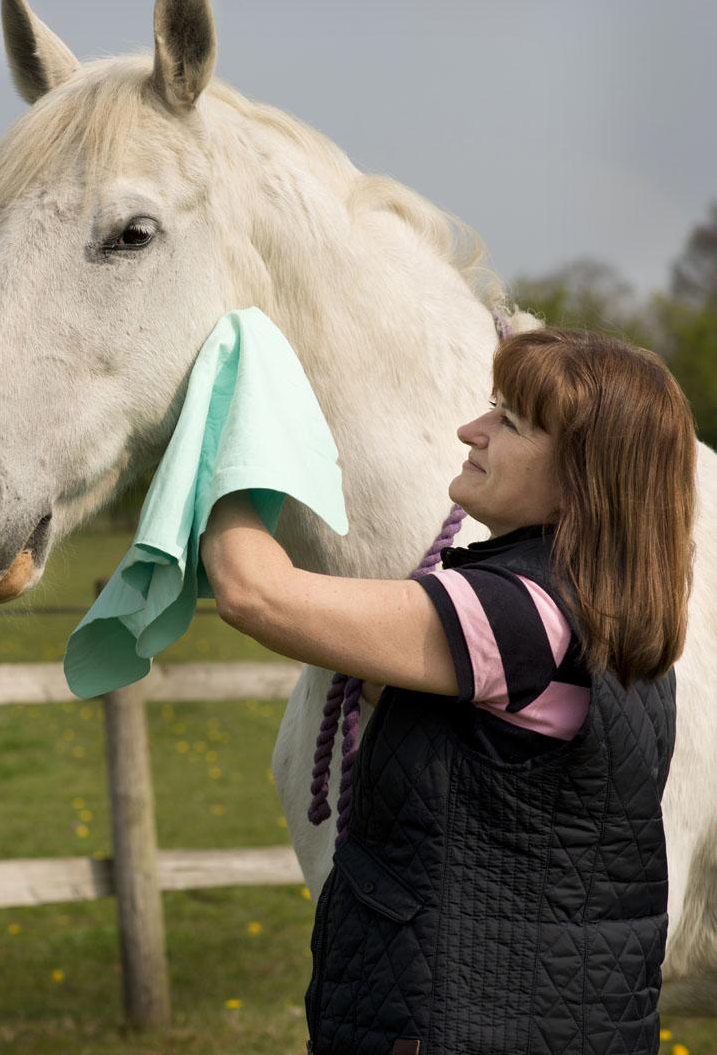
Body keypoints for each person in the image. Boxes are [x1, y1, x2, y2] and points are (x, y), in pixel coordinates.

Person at [199, 327, 697, 1054]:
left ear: (582, 478)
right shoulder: (603, 613)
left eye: (511, 421)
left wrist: (226, 445)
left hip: (460, 1023)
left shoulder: (518, 614)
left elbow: (253, 594)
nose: (473, 429)